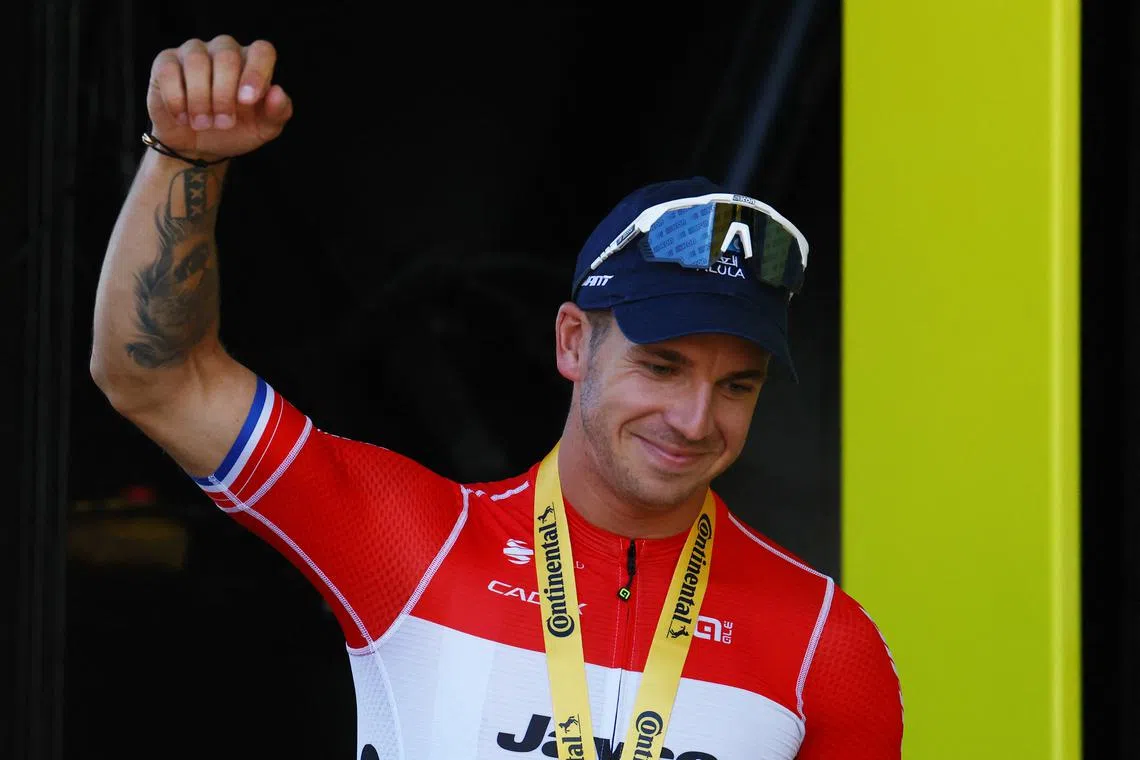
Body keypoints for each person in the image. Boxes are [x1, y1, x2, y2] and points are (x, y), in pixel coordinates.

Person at [91, 34, 903, 760]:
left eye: (737, 385)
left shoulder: (828, 644)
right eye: (661, 367)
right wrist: (184, 164)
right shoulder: (411, 542)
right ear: (573, 343)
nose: (695, 419)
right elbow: (157, 377)